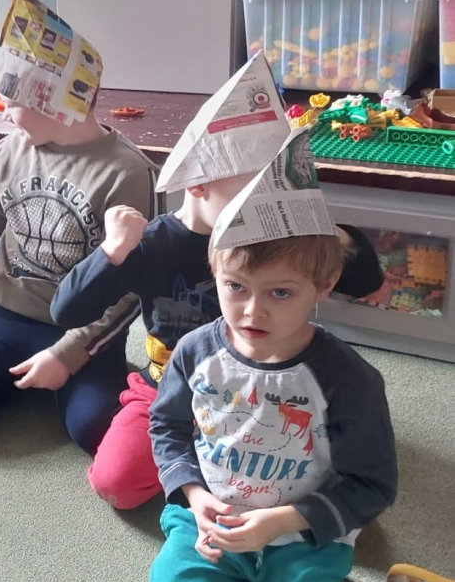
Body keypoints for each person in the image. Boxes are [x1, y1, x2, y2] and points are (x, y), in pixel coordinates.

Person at [138, 130, 454, 582]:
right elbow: (168, 427)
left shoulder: (347, 379)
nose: (251, 310)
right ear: (215, 271)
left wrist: (281, 523)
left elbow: (372, 483)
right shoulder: (194, 352)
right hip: (211, 525)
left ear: (322, 286)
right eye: (235, 287)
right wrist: (192, 495)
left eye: (280, 293)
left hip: (301, 538)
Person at [53, 55, 383, 508]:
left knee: (307, 485)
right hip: (171, 387)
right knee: (116, 481)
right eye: (249, 191)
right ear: (197, 185)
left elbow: (365, 281)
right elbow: (67, 312)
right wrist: (111, 252)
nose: (262, 204)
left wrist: (327, 233)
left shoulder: (277, 241)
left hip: (267, 390)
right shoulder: (152, 245)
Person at [0, 0, 154, 451]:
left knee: (95, 430)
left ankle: (49, 377)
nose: (4, 113)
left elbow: (128, 292)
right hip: (10, 309)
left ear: (55, 105)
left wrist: (67, 355)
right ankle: (30, 377)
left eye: (13, 102)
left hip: (82, 323)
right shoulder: (11, 148)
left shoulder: (126, 171)